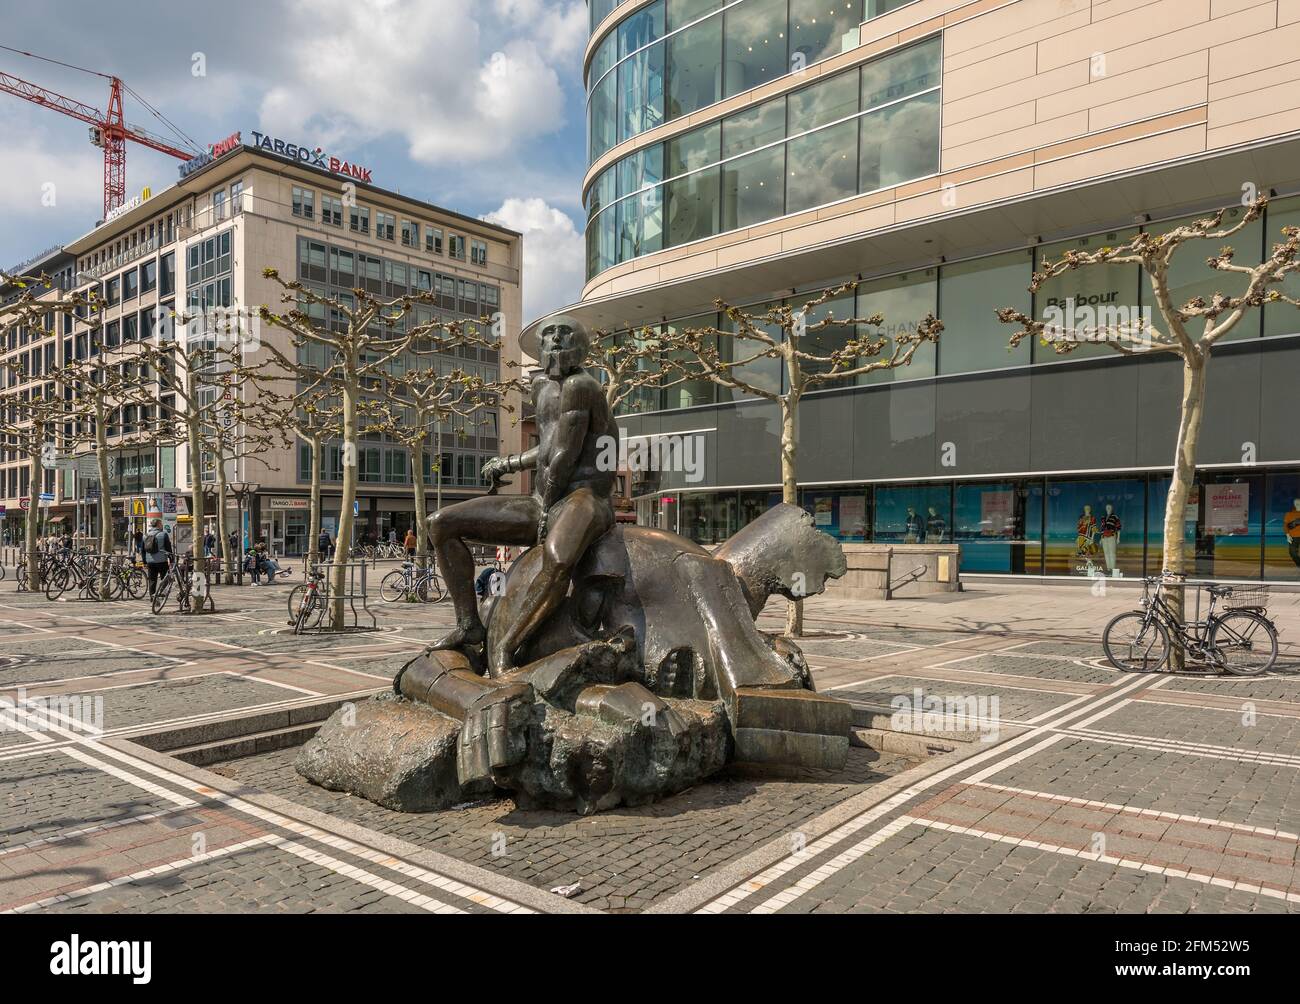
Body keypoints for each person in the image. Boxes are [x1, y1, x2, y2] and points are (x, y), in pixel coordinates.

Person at [428, 315, 616, 670]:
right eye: (549, 336)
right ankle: (469, 626)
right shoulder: (542, 387)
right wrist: (509, 463)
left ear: (582, 344)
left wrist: (546, 511)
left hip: (584, 497)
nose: (555, 341)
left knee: (558, 558)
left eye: (565, 334)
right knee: (441, 524)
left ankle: (508, 645)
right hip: (544, 499)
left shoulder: (583, 386)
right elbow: (547, 447)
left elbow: (565, 454)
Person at [143, 518, 172, 600]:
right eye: (161, 524)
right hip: (162, 561)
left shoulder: (145, 535)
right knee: (165, 578)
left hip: (150, 561)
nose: (162, 525)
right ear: (158, 525)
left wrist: (144, 561)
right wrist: (171, 560)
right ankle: (161, 593)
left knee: (152, 580)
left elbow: (143, 550)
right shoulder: (163, 534)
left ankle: (152, 598)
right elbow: (168, 549)